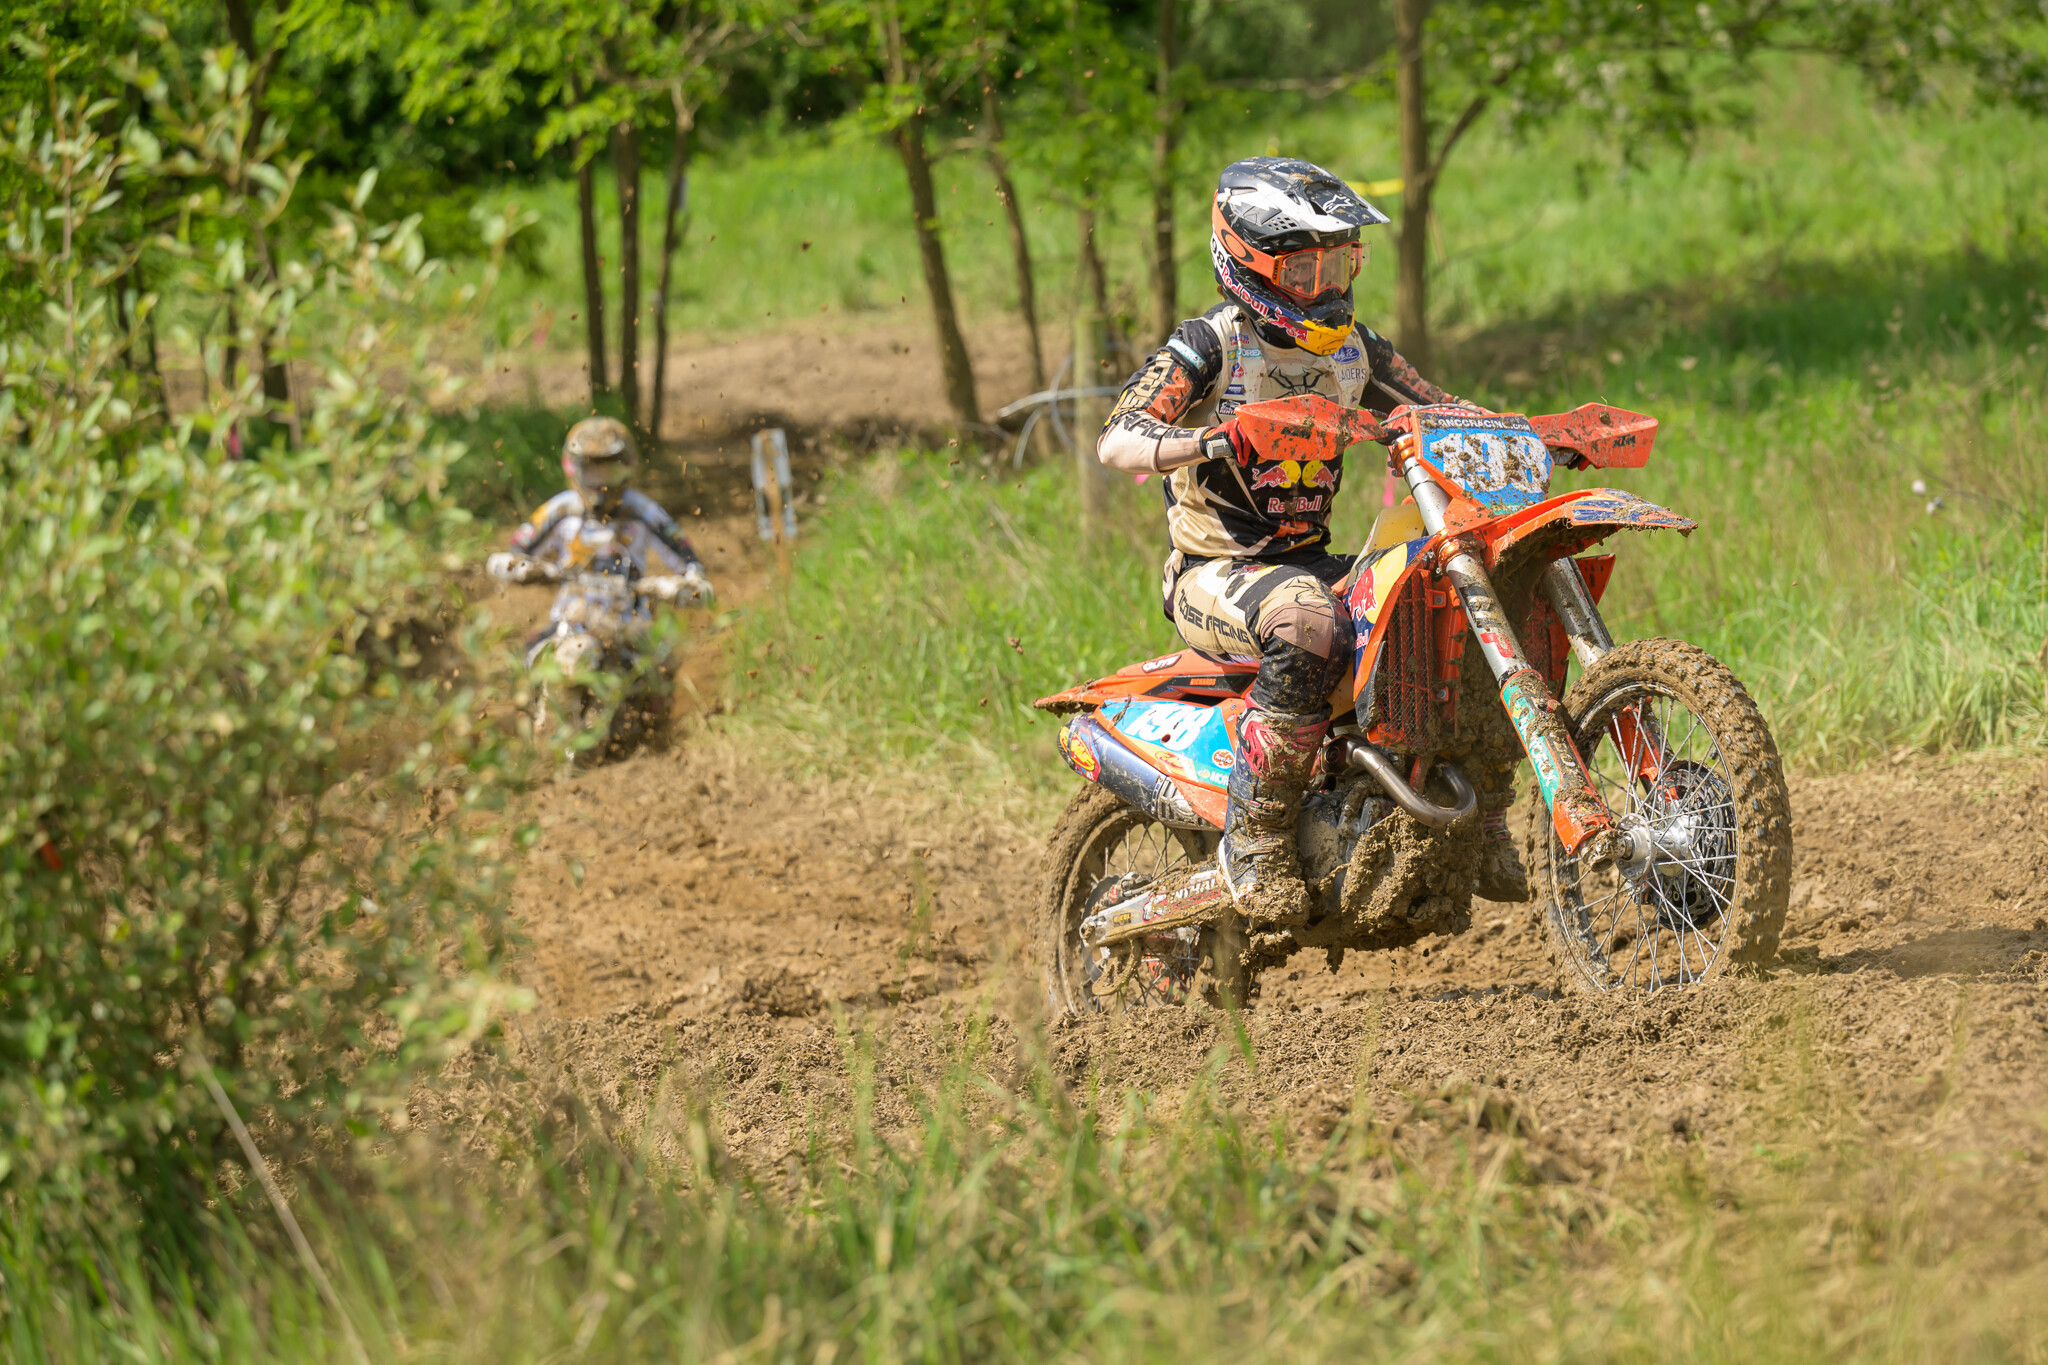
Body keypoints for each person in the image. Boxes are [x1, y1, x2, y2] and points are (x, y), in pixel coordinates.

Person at [1096, 156, 1525, 926]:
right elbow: (1119, 438)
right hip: (1215, 570)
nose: (1323, 285)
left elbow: (1446, 410)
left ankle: (1482, 818)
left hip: (1311, 559)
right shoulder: (1211, 346)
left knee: (1447, 602)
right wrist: (1213, 441)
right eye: (1303, 268)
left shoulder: (1356, 349)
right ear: (1250, 262)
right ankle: (1256, 840)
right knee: (1308, 621)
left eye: (1338, 262)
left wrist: (1530, 435)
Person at [499, 416, 713, 668]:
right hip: (570, 619)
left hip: (629, 620)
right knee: (527, 664)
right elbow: (518, 549)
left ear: (627, 467)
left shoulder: (642, 510)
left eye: (609, 472)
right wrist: (517, 566)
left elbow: (687, 559)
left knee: (663, 671)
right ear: (574, 470)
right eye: (592, 472)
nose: (600, 485)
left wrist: (690, 584)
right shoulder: (562, 509)